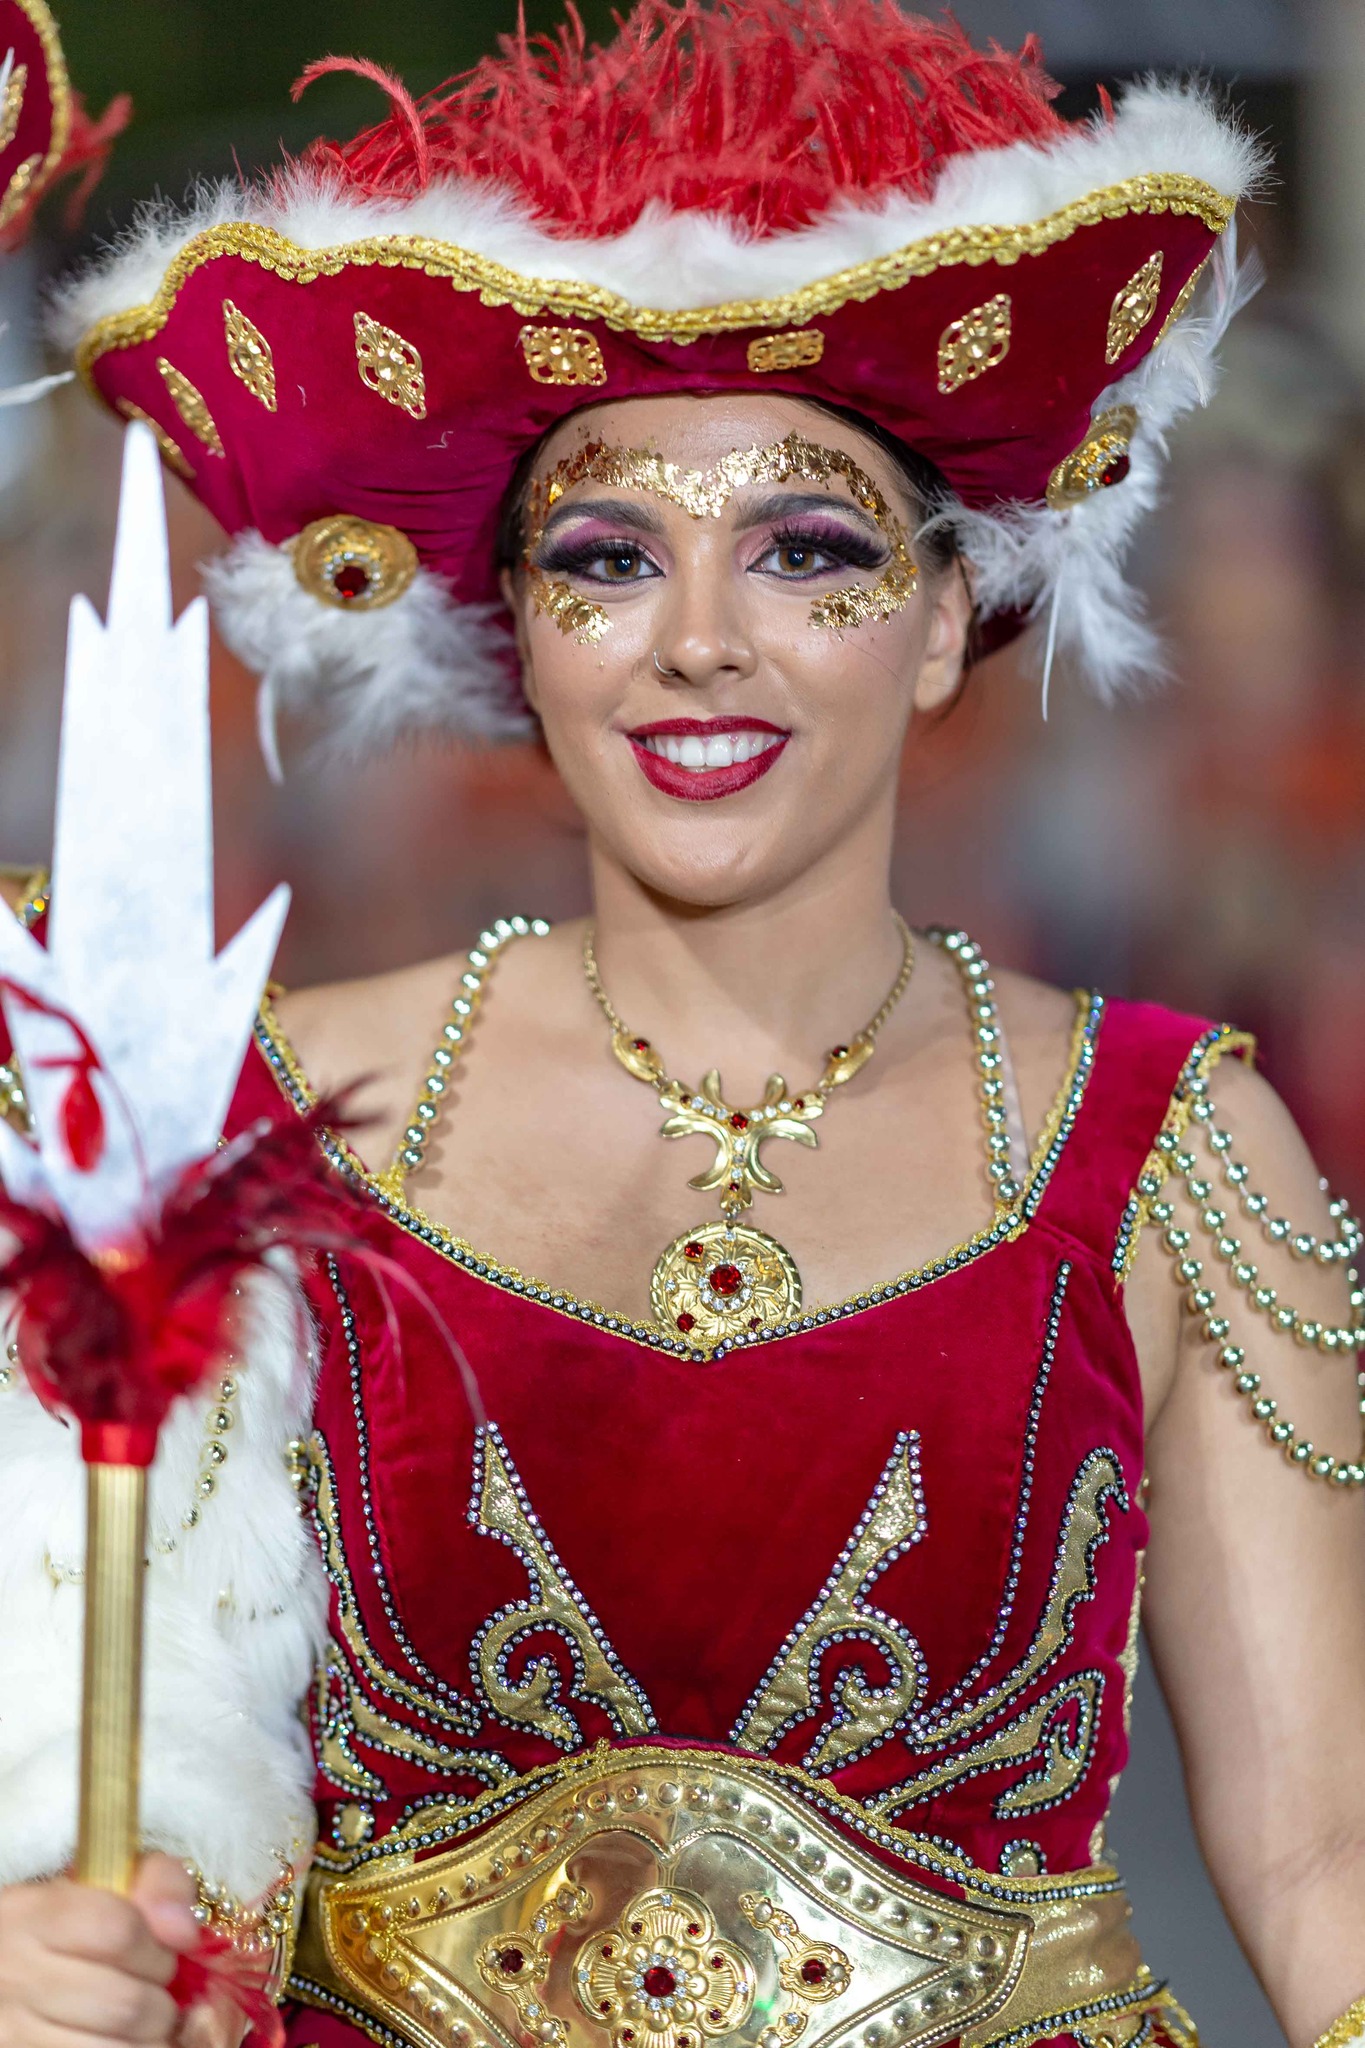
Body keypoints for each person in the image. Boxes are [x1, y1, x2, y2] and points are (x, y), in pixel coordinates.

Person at [2, 5, 1363, 2047]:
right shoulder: (244, 1125)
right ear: (518, 630)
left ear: (941, 621)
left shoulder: (1170, 1145)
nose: (700, 639)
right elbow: (119, 1753)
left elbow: (1325, 1861)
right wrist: (49, 1949)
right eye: (607, 557)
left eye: (805, 551)